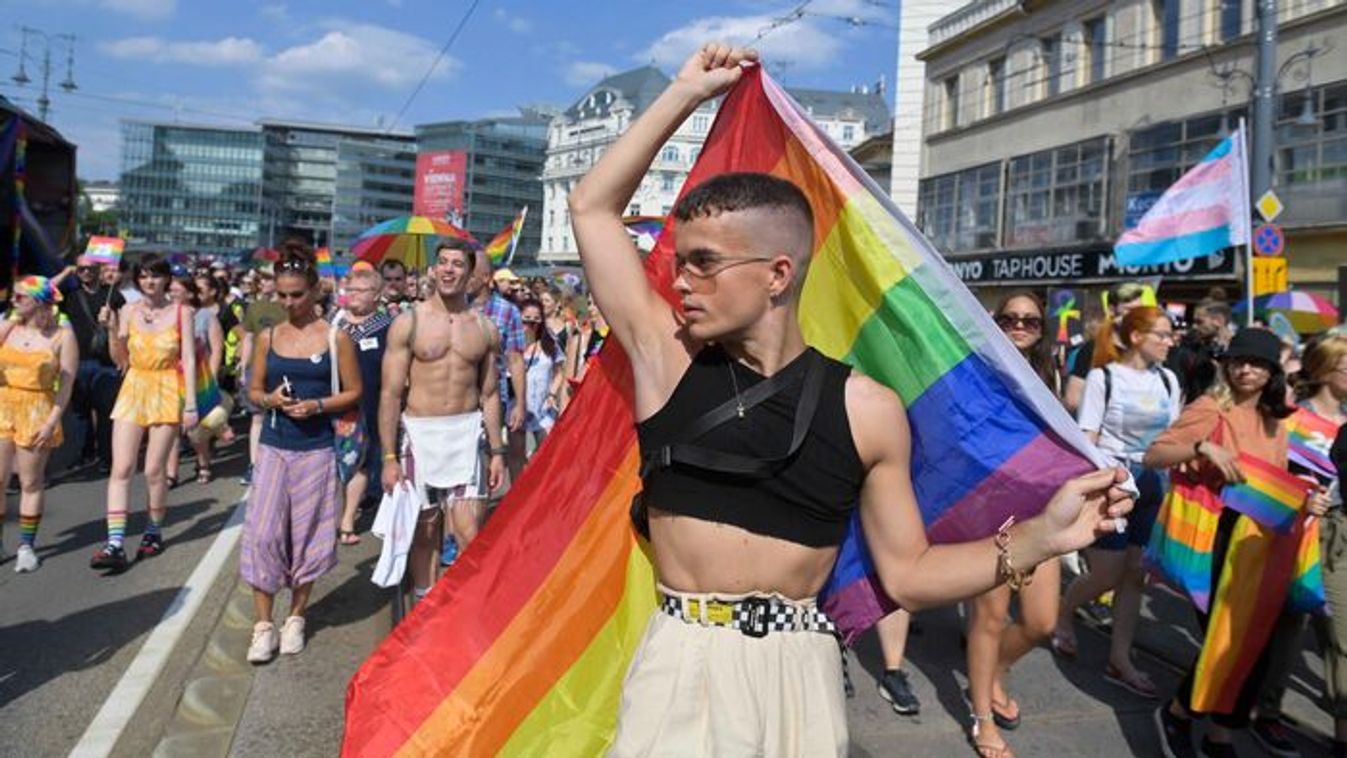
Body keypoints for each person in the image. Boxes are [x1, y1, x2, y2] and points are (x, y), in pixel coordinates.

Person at [569, 44, 1132, 756]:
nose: (679, 281)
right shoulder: (665, 361)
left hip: (796, 670)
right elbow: (591, 207)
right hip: (679, 659)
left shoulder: (866, 408)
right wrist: (685, 92)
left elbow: (909, 574)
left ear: (777, 274)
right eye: (680, 261)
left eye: (704, 263)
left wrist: (1044, 537)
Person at [1146, 328, 1331, 758]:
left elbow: (1277, 477)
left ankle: (1221, 735)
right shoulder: (1210, 407)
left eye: (1258, 364)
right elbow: (1153, 455)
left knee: (1254, 644)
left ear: (1271, 373)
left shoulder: (1277, 418)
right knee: (1224, 640)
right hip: (1214, 535)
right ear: (1226, 366)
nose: (1246, 369)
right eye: (1238, 361)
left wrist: (1308, 497)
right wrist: (1202, 448)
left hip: (1260, 540)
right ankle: (1176, 713)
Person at [1053, 306, 1181, 702]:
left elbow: (1169, 438)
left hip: (1154, 486)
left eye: (1169, 334)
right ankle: (1062, 612)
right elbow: (1086, 437)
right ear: (1137, 337)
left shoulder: (1169, 379)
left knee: (1134, 577)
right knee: (1106, 573)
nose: (1169, 341)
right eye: (1161, 334)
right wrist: (1087, 491)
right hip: (1115, 485)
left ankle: (1120, 659)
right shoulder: (1103, 377)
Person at [240, 252, 361, 663]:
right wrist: (269, 399)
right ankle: (262, 626)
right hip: (275, 446)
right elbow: (253, 392)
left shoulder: (335, 337)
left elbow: (354, 391)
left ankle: (295, 616)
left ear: (314, 291)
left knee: (307, 535)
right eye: (282, 296)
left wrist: (318, 406)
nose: (288, 303)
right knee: (263, 534)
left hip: (316, 450)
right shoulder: (268, 337)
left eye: (296, 295)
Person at [965, 292, 1068, 756]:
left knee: (1042, 622)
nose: (1020, 326)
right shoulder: (977, 372)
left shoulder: (1051, 374)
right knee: (988, 618)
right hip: (989, 509)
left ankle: (992, 674)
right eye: (1010, 319)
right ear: (996, 323)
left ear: (1042, 329)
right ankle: (983, 718)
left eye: (1030, 321)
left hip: (1041, 508)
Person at [380, 240, 507, 602]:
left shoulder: (484, 328)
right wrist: (388, 457)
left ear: (471, 276)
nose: (449, 269)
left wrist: (497, 451)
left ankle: (463, 612)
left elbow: (489, 394)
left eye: (457, 264)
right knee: (425, 532)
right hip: (419, 435)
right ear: (434, 270)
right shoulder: (409, 322)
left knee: (469, 533)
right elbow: (390, 393)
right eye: (443, 263)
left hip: (466, 437)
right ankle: (425, 601)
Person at [1253, 334, 1347, 755]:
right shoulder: (1292, 420)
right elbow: (1267, 475)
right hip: (1298, 529)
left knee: (1341, 635)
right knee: (1290, 626)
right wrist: (1300, 496)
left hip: (1338, 532)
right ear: (1326, 369)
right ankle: (1266, 712)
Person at [91, 255, 198, 572]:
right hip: (134, 386)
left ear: (167, 279)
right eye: (144, 276)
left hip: (166, 388)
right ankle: (114, 543)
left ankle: (153, 532)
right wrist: (112, 330)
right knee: (121, 467)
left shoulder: (183, 313)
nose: (149, 281)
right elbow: (120, 359)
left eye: (155, 276)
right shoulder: (127, 310)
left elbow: (189, 360)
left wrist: (191, 404)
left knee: (154, 470)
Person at [0, 276, 78, 572]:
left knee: (30, 481)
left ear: (39, 301)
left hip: (37, 408)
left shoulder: (62, 336)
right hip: (3, 404)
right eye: (14, 296)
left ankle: (26, 546)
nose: (14, 300)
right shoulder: (8, 327)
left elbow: (66, 384)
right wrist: (10, 322)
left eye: (21, 297)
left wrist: (51, 421)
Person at [333, 262, 395, 545]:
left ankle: (347, 519)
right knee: (332, 462)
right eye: (351, 289)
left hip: (369, 404)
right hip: (334, 403)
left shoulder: (387, 327)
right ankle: (332, 515)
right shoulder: (336, 322)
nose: (353, 294)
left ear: (376, 295)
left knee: (360, 461)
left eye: (361, 290)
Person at [468, 252, 527, 483]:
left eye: (470, 274)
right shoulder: (456, 308)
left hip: (494, 396)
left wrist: (520, 404)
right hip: (459, 396)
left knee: (489, 455)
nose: (464, 278)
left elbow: (516, 360)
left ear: (485, 277)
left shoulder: (508, 311)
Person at [64, 257, 126, 471]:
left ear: (98, 270)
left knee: (105, 411)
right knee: (80, 411)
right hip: (77, 361)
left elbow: (125, 325)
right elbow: (43, 292)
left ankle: (106, 457)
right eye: (81, 269)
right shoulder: (69, 295)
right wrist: (65, 272)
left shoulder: (113, 295)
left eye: (90, 268)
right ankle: (85, 452)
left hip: (106, 363)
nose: (86, 272)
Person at [1063, 281, 1146, 413]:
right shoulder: (1092, 349)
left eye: (1140, 311)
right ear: (1112, 311)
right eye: (1129, 310)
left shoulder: (1145, 350)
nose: (1137, 316)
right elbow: (1073, 400)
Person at [239, 263, 287, 485]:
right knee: (257, 416)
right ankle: (254, 464)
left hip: (282, 366)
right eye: (263, 279)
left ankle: (277, 463)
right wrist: (243, 365)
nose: (265, 283)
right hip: (256, 367)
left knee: (281, 416)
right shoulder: (255, 307)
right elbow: (248, 337)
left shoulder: (288, 305)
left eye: (269, 279)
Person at [518, 297, 565, 450]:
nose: (531, 324)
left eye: (536, 319)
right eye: (526, 319)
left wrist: (552, 394)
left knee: (546, 453)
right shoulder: (512, 343)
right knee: (517, 455)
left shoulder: (549, 342)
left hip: (543, 409)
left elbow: (559, 371)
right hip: (517, 408)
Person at [1167, 299, 1232, 402]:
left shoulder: (1238, 350)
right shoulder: (1189, 349)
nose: (1194, 326)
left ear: (1219, 321)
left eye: (1199, 322)